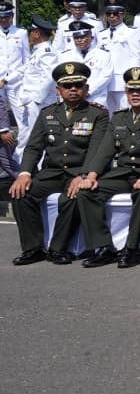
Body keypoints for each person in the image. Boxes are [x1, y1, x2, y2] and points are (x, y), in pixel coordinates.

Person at [10, 63, 110, 265]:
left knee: (72, 198)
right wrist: (24, 174)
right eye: (67, 86)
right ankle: (33, 248)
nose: (73, 89)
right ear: (58, 90)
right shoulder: (47, 113)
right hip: (52, 172)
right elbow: (33, 147)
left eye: (78, 85)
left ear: (86, 89)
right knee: (21, 194)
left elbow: (96, 150)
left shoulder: (97, 114)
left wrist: (83, 176)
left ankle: (58, 248)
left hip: (78, 172)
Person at [73, 68, 140, 268]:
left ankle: (131, 248)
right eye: (131, 90)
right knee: (86, 193)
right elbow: (105, 150)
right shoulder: (119, 118)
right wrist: (91, 175)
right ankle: (102, 247)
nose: (135, 94)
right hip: (123, 173)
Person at [15, 15, 57, 156]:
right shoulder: (38, 50)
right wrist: (7, 80)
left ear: (37, 33)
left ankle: (38, 167)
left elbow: (48, 77)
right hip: (30, 100)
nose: (30, 36)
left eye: (31, 32)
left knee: (38, 134)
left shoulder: (46, 52)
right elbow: (26, 69)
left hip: (39, 102)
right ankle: (18, 165)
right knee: (25, 134)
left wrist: (36, 100)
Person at [96, 0, 140, 112]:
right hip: (106, 82)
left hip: (123, 81)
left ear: (122, 15)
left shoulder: (131, 33)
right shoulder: (101, 34)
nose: (112, 16)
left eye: (116, 13)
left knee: (124, 112)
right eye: (109, 14)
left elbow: (136, 57)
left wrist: (133, 80)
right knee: (108, 113)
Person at [56, 21, 113, 109]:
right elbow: (61, 78)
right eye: (76, 37)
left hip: (96, 98)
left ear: (91, 38)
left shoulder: (103, 54)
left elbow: (106, 77)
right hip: (72, 98)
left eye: (83, 37)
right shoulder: (65, 56)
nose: (79, 40)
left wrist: (88, 92)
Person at [0, 2, 29, 147]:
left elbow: (27, 61)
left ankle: (21, 154)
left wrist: (8, 79)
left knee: (23, 119)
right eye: (1, 17)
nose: (4, 20)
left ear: (12, 17)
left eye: (6, 17)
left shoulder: (21, 33)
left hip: (15, 82)